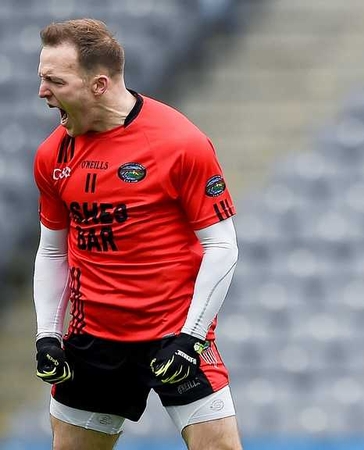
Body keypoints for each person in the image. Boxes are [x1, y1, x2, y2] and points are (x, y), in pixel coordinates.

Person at [32, 18, 241, 449]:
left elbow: (222, 246)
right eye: (42, 79)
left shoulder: (180, 142)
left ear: (98, 85)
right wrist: (47, 334)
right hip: (93, 340)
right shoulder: (53, 154)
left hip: (174, 335)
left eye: (55, 81)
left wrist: (191, 337)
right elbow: (53, 251)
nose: (42, 92)